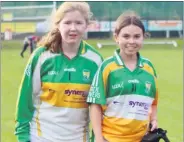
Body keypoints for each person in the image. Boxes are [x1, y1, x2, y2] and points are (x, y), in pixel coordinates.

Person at [15, 2, 103, 142]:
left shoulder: (95, 60)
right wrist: (22, 136)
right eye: (67, 23)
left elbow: (99, 106)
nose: (73, 28)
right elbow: (25, 100)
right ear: (58, 25)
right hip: (41, 137)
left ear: (86, 25)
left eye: (78, 23)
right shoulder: (42, 56)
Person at [87, 11, 158, 142]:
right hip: (110, 138)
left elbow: (153, 102)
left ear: (143, 37)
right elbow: (95, 105)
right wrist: (98, 138)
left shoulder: (149, 68)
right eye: (126, 36)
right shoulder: (107, 67)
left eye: (137, 36)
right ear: (116, 37)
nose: (131, 41)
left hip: (140, 138)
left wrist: (154, 119)